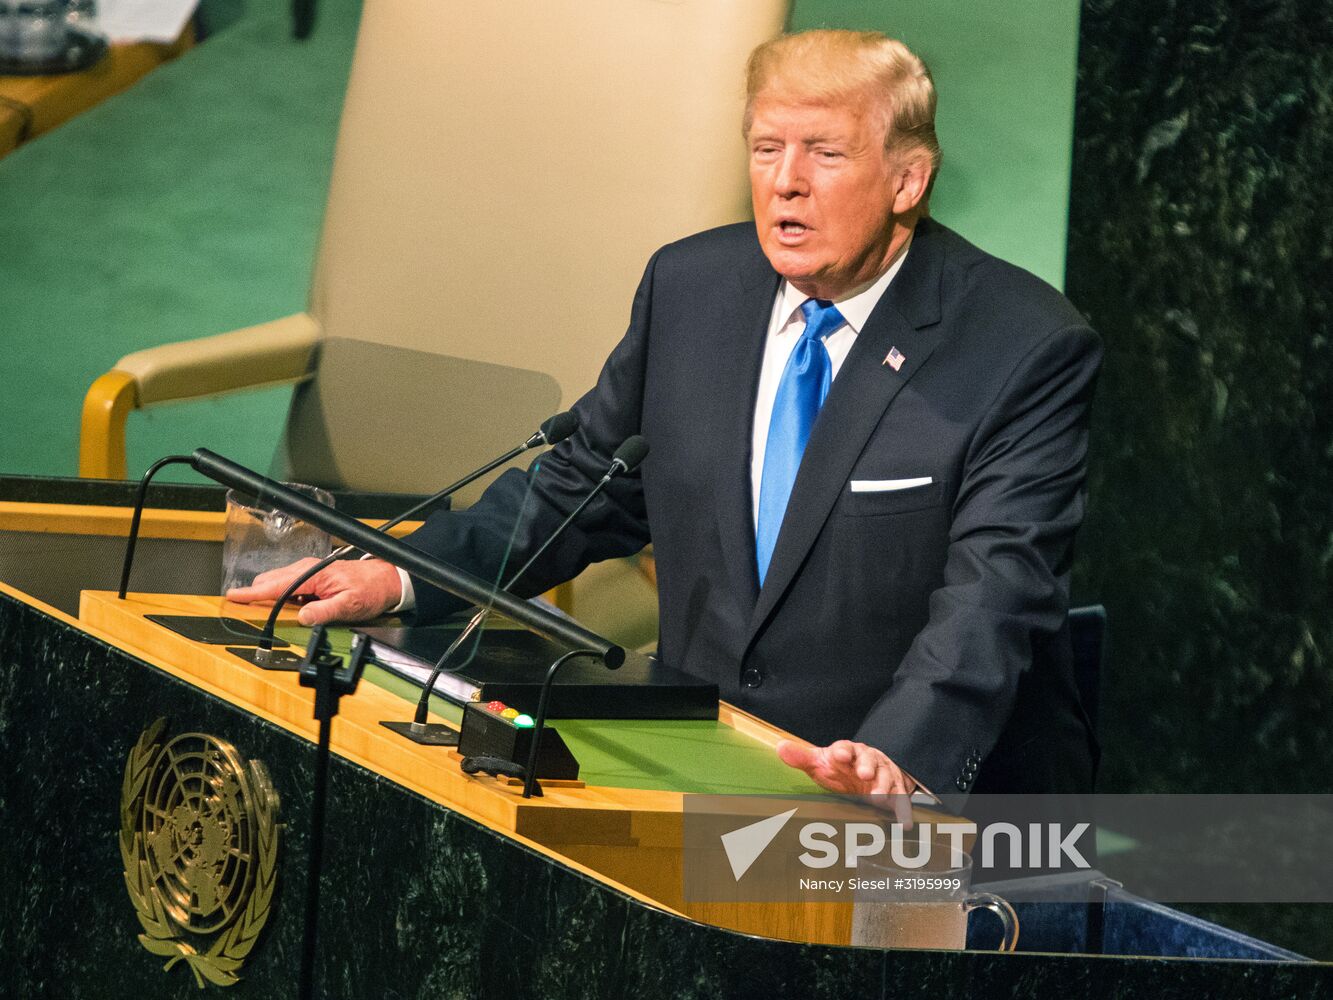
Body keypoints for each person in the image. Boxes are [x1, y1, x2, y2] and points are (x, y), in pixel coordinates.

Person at [230, 29, 1101, 805]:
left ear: (908, 179)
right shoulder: (691, 288)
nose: (786, 183)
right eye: (766, 149)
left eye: (825, 154)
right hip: (707, 765)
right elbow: (585, 488)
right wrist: (402, 575)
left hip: (914, 799)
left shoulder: (1021, 346)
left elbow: (996, 590)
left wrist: (898, 753)